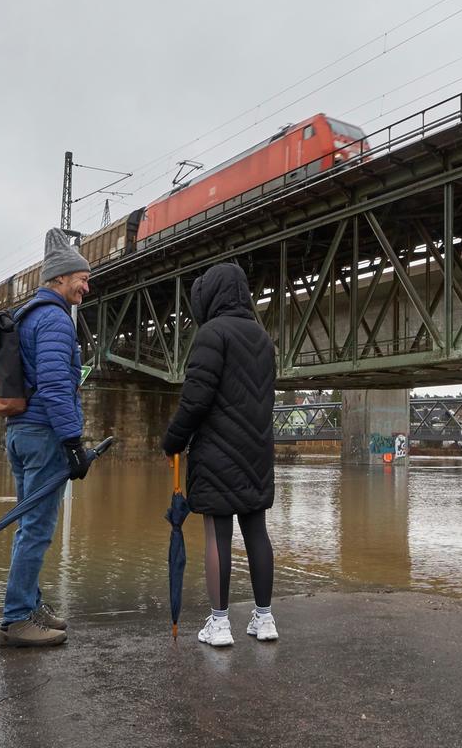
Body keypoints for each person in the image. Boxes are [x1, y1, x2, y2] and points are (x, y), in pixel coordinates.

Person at [162, 262, 278, 646]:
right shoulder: (263, 339)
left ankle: (220, 623)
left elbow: (195, 399)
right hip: (256, 453)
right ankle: (264, 619)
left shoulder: (212, 334)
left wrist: (173, 440)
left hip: (216, 453)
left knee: (218, 535)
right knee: (257, 532)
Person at [0, 228, 92, 647]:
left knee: (28, 525)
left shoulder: (29, 316)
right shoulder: (54, 319)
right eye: (81, 278)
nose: (86, 287)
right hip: (43, 435)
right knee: (36, 528)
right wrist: (74, 444)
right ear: (59, 277)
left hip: (20, 432)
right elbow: (56, 387)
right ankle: (16, 619)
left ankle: (30, 605)